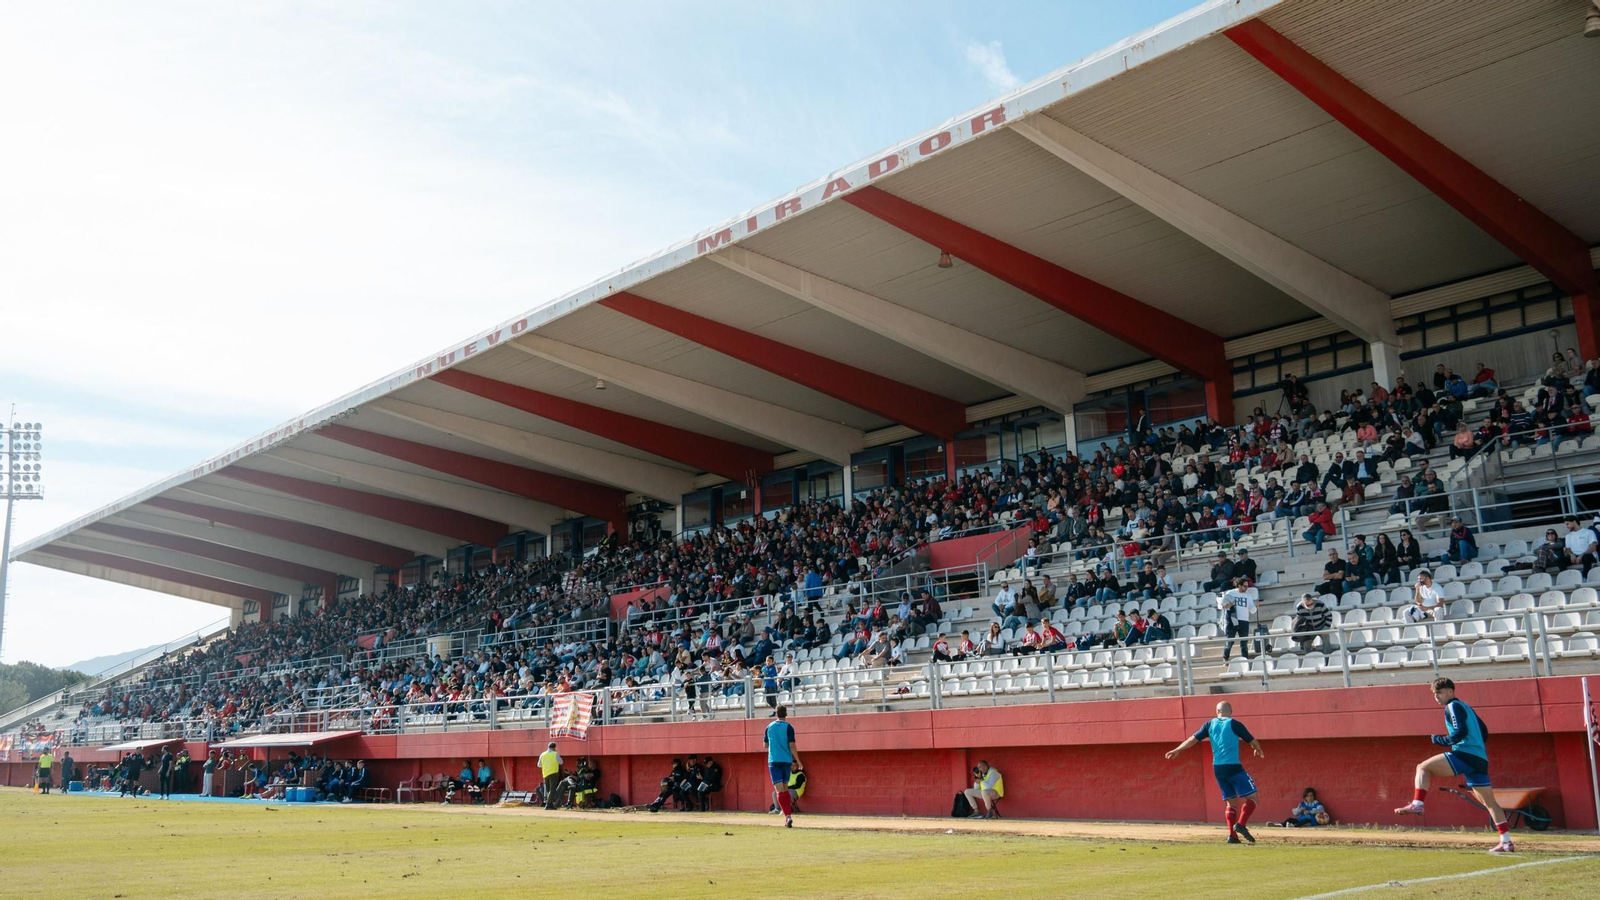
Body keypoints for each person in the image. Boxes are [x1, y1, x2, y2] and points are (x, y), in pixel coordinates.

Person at [1394, 678, 1514, 854]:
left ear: (1450, 691)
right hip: (1480, 758)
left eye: (1439, 693)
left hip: (1465, 753)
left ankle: (1417, 803)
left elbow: (1460, 732)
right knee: (1490, 803)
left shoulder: (1452, 707)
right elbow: (1484, 731)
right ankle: (1506, 842)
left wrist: (1440, 740)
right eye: (1435, 694)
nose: (1437, 697)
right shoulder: (1467, 707)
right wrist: (1476, 745)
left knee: (1422, 768)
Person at [1165, 700, 1265, 844]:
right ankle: (1241, 825)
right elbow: (1252, 740)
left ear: (1217, 711)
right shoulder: (1234, 723)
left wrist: (1177, 750)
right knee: (1253, 798)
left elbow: (1192, 740)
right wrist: (1257, 749)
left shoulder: (1209, 724)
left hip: (1217, 768)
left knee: (1231, 803)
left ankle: (1232, 836)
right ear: (1231, 711)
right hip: (1233, 766)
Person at [765, 705, 801, 827]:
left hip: (774, 761)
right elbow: (792, 745)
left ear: (776, 714)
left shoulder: (769, 727)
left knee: (779, 790)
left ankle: (787, 816)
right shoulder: (789, 727)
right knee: (785, 788)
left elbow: (765, 745)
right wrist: (798, 761)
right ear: (786, 714)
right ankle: (788, 815)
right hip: (786, 761)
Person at [1218, 579, 1255, 662]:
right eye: (1245, 586)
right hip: (1233, 619)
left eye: (1247, 586)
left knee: (1244, 643)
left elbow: (1252, 610)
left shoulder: (1248, 595)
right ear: (1239, 586)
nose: (1246, 588)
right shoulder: (1230, 593)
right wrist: (1227, 605)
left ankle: (1245, 660)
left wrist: (1256, 606)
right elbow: (1221, 605)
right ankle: (1225, 658)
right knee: (1229, 641)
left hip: (1244, 620)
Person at [539, 742, 563, 810]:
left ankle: (550, 803)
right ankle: (548, 804)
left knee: (548, 790)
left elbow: (539, 764)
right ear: (554, 747)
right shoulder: (555, 754)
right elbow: (561, 762)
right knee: (552, 790)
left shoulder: (542, 754)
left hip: (545, 774)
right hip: (553, 773)